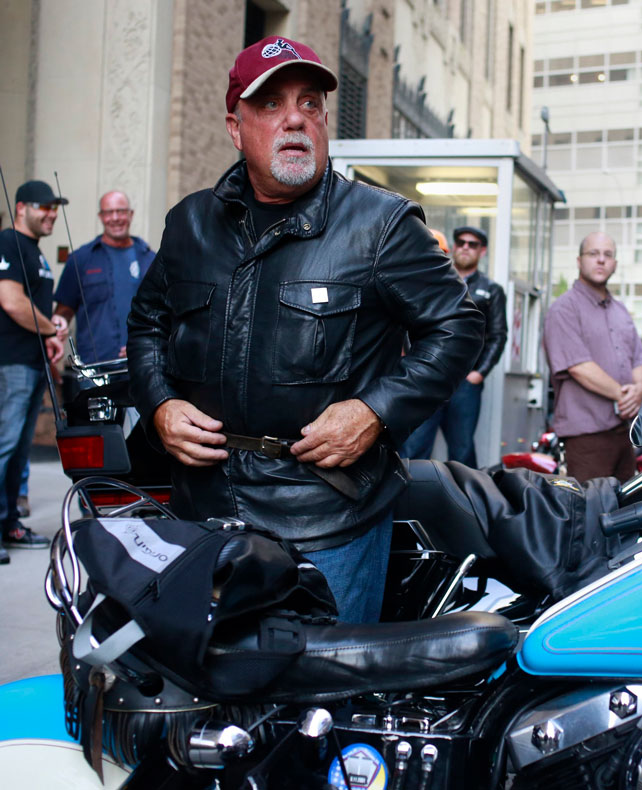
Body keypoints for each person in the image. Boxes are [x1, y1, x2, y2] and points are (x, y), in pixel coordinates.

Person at [126, 36, 483, 622]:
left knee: (321, 703)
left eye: (311, 103)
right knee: (212, 697)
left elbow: (458, 325)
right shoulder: (189, 223)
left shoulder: (381, 223)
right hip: (203, 509)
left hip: (327, 520)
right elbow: (146, 326)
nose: (296, 118)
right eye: (271, 104)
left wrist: (374, 410)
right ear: (235, 127)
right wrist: (160, 403)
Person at [542, 231, 642, 482]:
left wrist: (639, 391)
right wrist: (624, 396)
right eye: (593, 254)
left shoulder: (620, 310)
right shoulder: (563, 309)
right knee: (592, 513)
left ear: (615, 265)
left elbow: (639, 360)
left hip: (625, 433)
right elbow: (578, 366)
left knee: (624, 511)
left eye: (608, 255)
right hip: (587, 436)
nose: (601, 260)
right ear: (579, 261)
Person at [0, 180, 68, 561]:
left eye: (55, 208)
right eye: (44, 207)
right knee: (5, 446)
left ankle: (9, 523)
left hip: (32, 361)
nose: (51, 214)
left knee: (18, 449)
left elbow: (33, 312)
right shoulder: (8, 243)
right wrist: (53, 327)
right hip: (11, 362)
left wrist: (48, 337)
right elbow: (11, 302)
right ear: (22, 206)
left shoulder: (36, 254)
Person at [402, 226, 507, 466]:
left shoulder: (491, 291)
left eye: (473, 244)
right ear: (454, 247)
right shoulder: (434, 282)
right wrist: (412, 362)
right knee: (415, 446)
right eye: (461, 242)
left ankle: (465, 503)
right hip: (426, 376)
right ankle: (411, 503)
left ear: (482, 251)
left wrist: (478, 374)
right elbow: (409, 324)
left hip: (465, 383)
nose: (466, 247)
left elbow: (498, 336)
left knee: (462, 450)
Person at [54, 191, 156, 362]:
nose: (115, 218)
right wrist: (57, 330)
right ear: (101, 217)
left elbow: (166, 312)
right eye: (109, 212)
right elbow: (63, 313)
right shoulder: (80, 259)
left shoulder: (151, 260)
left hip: (142, 364)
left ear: (131, 214)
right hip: (95, 368)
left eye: (121, 211)